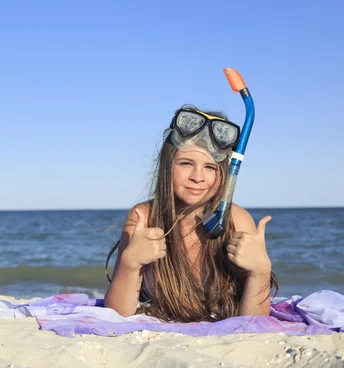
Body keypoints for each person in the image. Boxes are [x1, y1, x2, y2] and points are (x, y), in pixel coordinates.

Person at [104, 105, 278, 322]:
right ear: (168, 166)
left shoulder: (238, 220)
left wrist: (260, 271)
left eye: (210, 167)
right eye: (186, 163)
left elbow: (254, 324)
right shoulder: (144, 218)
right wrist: (131, 264)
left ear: (225, 173)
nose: (198, 177)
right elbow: (117, 316)